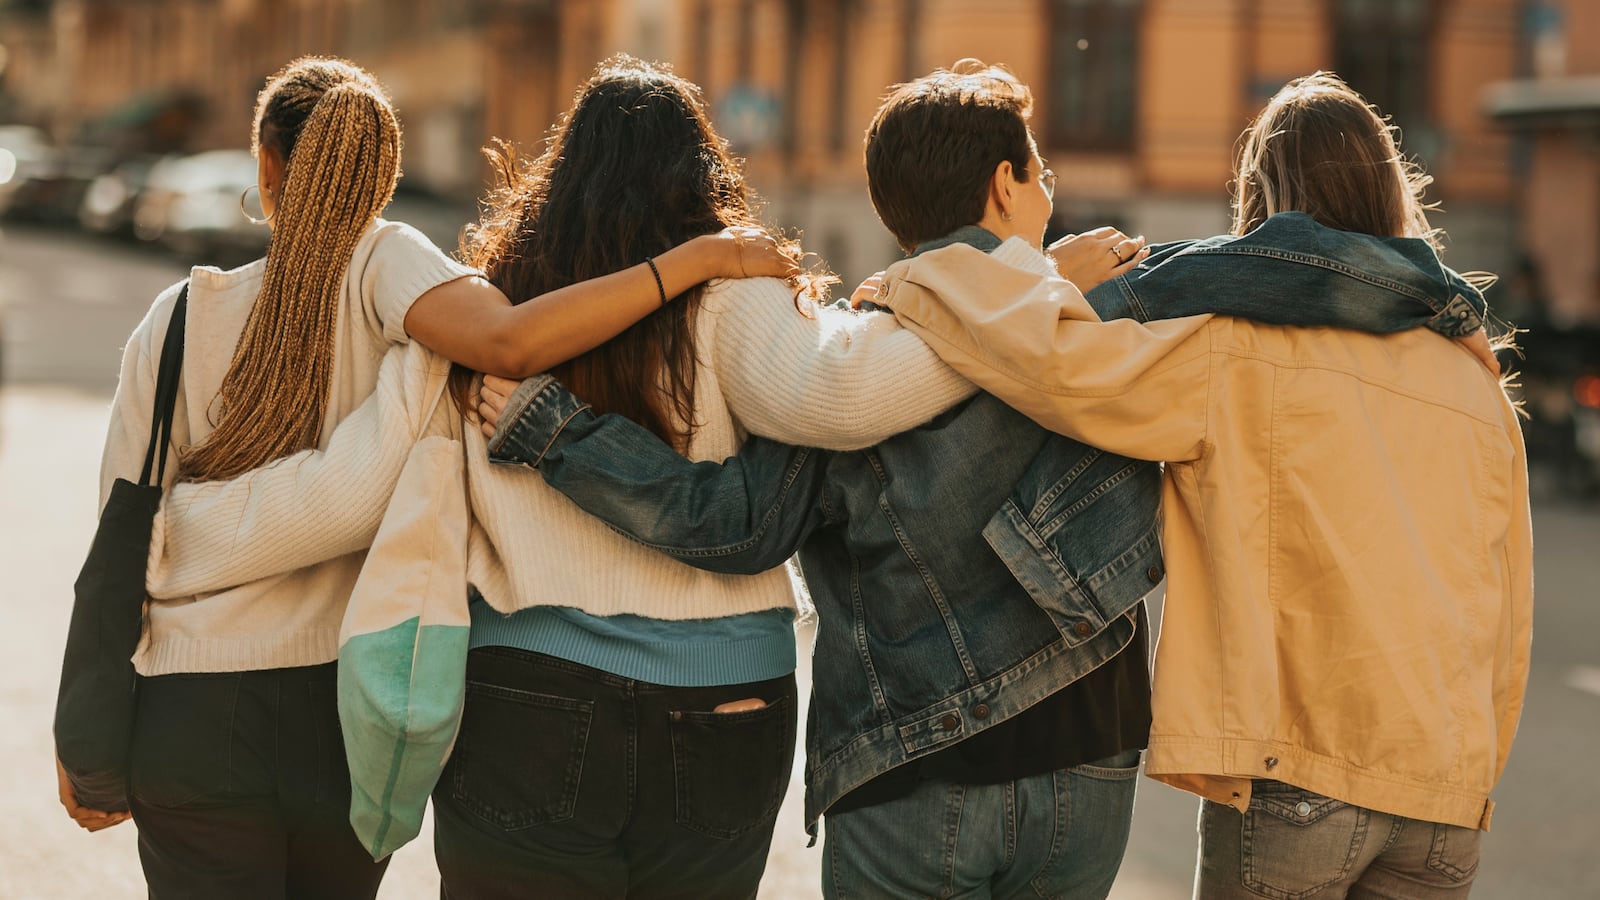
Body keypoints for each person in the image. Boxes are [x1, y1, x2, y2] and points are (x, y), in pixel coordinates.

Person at [473, 64, 1487, 899]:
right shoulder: (1109, 311)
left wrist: (553, 430)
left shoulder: (851, 352)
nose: (1046, 196)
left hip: (906, 767)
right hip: (1087, 756)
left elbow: (738, 525)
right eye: (1038, 175)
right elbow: (1266, 268)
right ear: (1006, 186)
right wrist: (1431, 296)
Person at [116, 55, 1070, 899]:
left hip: (526, 701)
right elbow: (853, 395)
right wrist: (1032, 293)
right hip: (726, 704)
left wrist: (178, 535)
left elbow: (365, 482)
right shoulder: (734, 297)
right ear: (705, 178)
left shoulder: (493, 306)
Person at [58, 56, 793, 899]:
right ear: (386, 171)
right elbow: (508, 346)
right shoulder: (395, 273)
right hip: (335, 711)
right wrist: (697, 259)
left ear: (266, 167)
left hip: (181, 716)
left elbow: (120, 533)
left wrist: (88, 736)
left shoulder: (177, 321)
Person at [865, 73, 1529, 898]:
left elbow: (1057, 366)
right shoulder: (1475, 379)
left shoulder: (1238, 345)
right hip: (1443, 787)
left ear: (1264, 199)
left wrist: (926, 284)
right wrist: (1475, 770)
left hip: (1299, 775)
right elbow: (1508, 603)